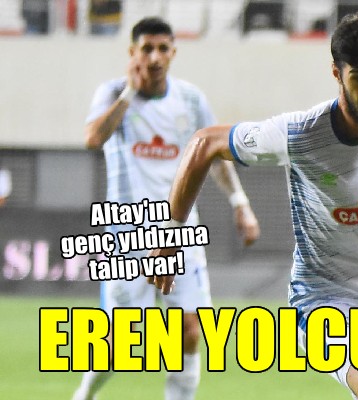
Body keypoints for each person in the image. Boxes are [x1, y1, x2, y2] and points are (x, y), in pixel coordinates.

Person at [149, 10, 358, 400]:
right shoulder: (301, 135)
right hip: (325, 300)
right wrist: (170, 234)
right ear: (337, 73)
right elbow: (204, 144)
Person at [72, 17, 260, 400]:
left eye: (162, 49)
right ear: (132, 52)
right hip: (126, 238)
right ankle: (86, 392)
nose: (155, 57)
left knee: (190, 330)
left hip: (180, 234)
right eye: (147, 49)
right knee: (119, 345)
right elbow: (93, 138)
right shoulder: (113, 93)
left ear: (174, 52)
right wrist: (129, 93)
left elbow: (214, 156)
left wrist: (240, 202)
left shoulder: (190, 99)